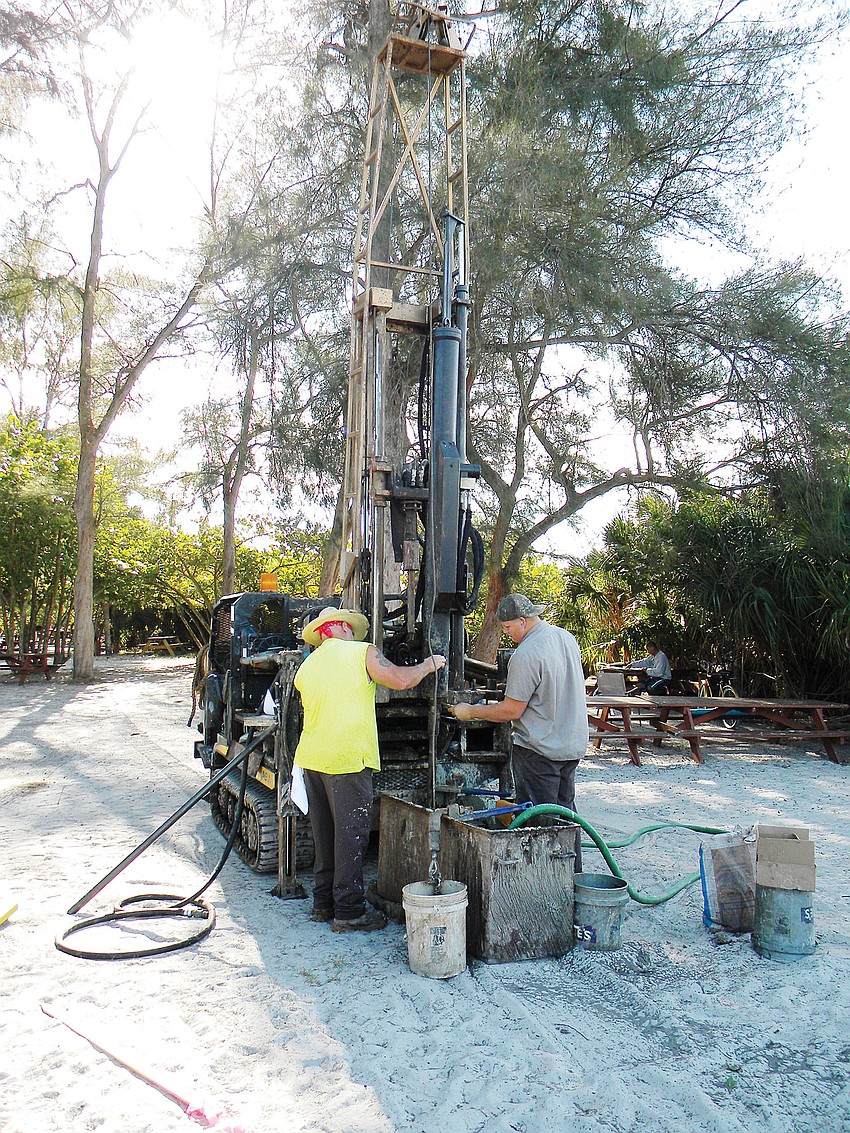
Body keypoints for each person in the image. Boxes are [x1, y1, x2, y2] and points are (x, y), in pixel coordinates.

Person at [294, 607, 446, 933]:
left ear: (322, 634)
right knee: (350, 836)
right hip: (347, 758)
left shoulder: (307, 665)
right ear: (344, 629)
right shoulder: (362, 652)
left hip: (312, 759)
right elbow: (400, 680)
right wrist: (429, 664)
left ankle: (323, 904)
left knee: (325, 834)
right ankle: (349, 911)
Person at [447, 593, 588, 871]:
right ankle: (573, 876)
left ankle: (544, 884)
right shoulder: (565, 638)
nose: (507, 634)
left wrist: (471, 711)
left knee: (539, 824)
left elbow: (511, 711)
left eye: (508, 628)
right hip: (570, 746)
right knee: (566, 818)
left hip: (539, 752)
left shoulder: (526, 653)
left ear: (523, 621)